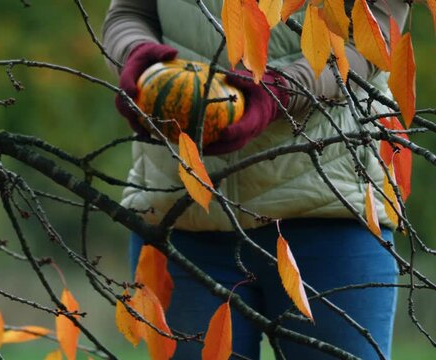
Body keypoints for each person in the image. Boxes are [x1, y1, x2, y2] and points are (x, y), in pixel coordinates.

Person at [102, 1, 409, 359]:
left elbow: (374, 35)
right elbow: (129, 13)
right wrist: (140, 64)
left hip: (329, 211)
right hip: (182, 216)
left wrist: (283, 92)